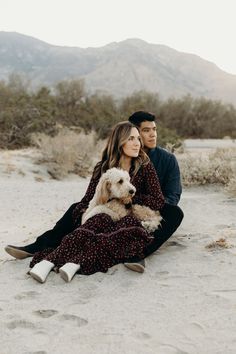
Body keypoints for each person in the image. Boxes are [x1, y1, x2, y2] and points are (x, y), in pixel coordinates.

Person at [5, 111, 183, 273]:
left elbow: (167, 198)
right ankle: (39, 245)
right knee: (77, 208)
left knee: (174, 213)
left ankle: (136, 253)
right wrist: (88, 211)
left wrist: (130, 201)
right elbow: (91, 198)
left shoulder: (154, 162)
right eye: (144, 131)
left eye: (154, 129)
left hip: (143, 210)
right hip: (109, 210)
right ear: (123, 137)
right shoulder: (104, 166)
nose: (152, 134)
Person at [27, 121, 165, 282]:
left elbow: (158, 201)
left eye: (138, 139)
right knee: (96, 221)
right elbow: (89, 198)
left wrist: (128, 197)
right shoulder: (103, 167)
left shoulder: (145, 166)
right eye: (131, 139)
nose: (137, 143)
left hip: (129, 215)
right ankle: (47, 262)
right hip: (105, 212)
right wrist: (84, 216)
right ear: (120, 142)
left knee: (120, 229)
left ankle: (75, 263)